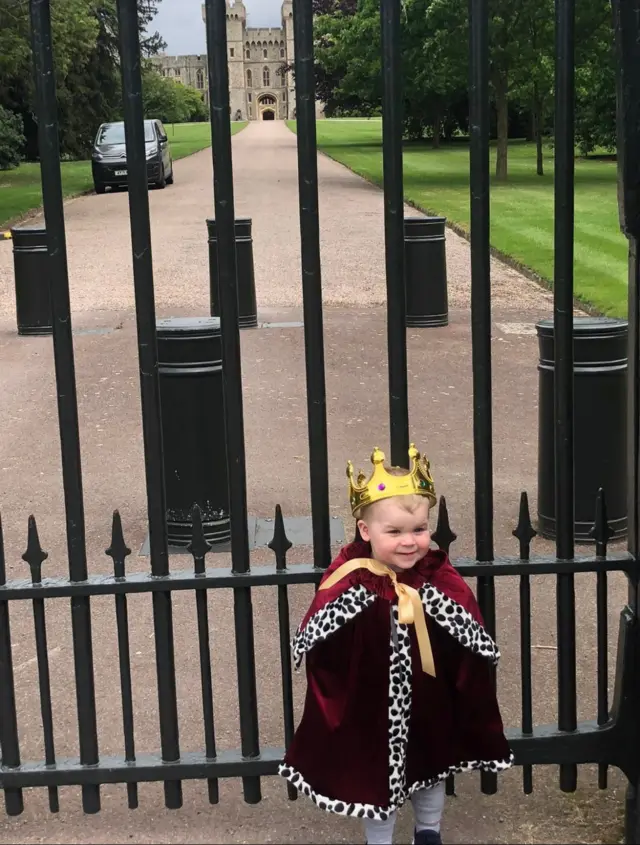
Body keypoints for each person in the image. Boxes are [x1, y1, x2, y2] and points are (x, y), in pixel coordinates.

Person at [279, 444, 513, 844]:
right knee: (374, 777)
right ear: (365, 531)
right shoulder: (350, 579)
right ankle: (380, 840)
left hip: (430, 699)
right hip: (370, 706)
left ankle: (429, 832)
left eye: (419, 530)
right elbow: (319, 638)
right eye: (395, 532)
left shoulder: (437, 576)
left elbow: (468, 633)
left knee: (432, 762)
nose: (410, 541)